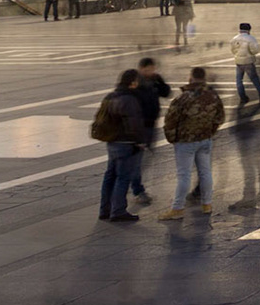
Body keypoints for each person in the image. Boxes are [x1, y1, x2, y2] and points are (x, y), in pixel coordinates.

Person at [158, 66, 224, 219]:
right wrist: (210, 132)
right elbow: (219, 117)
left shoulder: (183, 98)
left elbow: (170, 121)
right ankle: (207, 204)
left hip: (185, 141)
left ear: (191, 77)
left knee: (184, 175)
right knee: (205, 172)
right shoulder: (213, 96)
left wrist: (172, 138)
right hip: (205, 139)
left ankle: (178, 208)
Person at [94, 68, 149, 222]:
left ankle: (105, 209)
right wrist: (140, 142)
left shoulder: (110, 96)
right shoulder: (129, 99)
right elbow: (134, 124)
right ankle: (118, 210)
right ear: (133, 83)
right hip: (126, 143)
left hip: (112, 142)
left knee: (110, 176)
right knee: (123, 177)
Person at [127, 57, 172, 204]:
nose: (150, 72)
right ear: (141, 69)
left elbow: (166, 93)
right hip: (139, 127)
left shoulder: (154, 81)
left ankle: (133, 183)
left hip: (151, 125)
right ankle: (137, 190)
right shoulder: (135, 83)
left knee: (143, 159)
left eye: (152, 69)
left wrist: (160, 82)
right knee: (137, 160)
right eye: (147, 70)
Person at [231, 22, 260, 106]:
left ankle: (243, 97)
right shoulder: (251, 38)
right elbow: (255, 50)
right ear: (248, 30)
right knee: (254, 78)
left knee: (239, 80)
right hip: (248, 61)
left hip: (238, 61)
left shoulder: (234, 38)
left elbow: (233, 50)